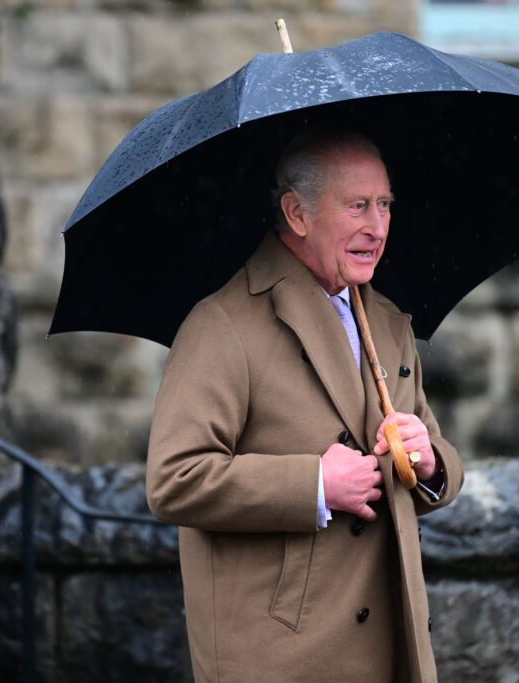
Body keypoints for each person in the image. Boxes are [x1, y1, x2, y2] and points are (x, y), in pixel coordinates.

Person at [146, 128, 463, 682]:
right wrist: (315, 484)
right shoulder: (222, 324)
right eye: (358, 206)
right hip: (281, 658)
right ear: (296, 213)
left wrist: (431, 461)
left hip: (393, 648)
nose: (378, 227)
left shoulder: (387, 322)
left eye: (385, 204)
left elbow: (433, 463)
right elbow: (175, 478)